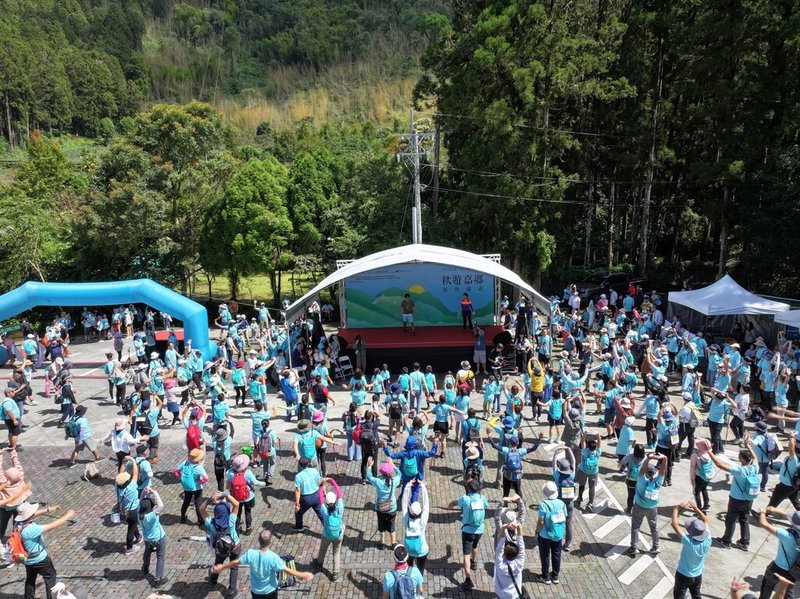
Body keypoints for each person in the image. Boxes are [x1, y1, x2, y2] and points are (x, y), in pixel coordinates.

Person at [213, 529, 314, 599]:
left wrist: (222, 566)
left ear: (258, 540)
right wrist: (302, 575)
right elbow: (287, 570)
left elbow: (235, 562)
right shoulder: (274, 557)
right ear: (270, 542)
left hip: (256, 591)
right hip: (270, 590)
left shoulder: (251, 553)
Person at [13, 501, 75, 599]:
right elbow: (52, 525)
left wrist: (49, 509)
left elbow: (32, 514)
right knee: (50, 577)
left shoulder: (18, 524)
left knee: (30, 579)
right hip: (40, 559)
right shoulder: (31, 529)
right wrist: (67, 515)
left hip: (27, 559)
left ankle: (28, 597)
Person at [709, 438, 759, 550]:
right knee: (744, 519)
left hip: (736, 499)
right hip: (749, 499)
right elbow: (755, 457)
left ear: (741, 459)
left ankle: (726, 541)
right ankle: (744, 542)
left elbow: (719, 464)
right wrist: (749, 447)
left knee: (731, 520)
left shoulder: (740, 470)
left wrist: (709, 451)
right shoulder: (755, 467)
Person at [447, 478, 489, 591]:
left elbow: (456, 503)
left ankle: (467, 579)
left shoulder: (465, 499)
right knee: (474, 547)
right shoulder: (482, 498)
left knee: (466, 553)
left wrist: (450, 505)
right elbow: (487, 505)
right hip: (479, 529)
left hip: (468, 530)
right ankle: (474, 562)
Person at [201, 491, 241, 598]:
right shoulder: (231, 520)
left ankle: (213, 579)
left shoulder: (211, 524)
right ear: (228, 512)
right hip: (234, 546)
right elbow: (236, 504)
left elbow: (202, 510)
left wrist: (209, 499)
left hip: (220, 548)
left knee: (217, 562)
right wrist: (225, 495)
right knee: (234, 567)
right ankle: (232, 590)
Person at [628, 453, 667, 556]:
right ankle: (655, 546)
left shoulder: (641, 480)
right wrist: (665, 459)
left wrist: (648, 458)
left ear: (645, 472)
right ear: (654, 473)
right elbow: (663, 471)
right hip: (652, 508)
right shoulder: (657, 482)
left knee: (635, 527)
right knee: (654, 527)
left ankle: (634, 547)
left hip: (639, 506)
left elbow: (642, 469)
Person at [671, 501, 712, 599]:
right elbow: (706, 521)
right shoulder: (708, 539)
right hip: (698, 575)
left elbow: (674, 524)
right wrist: (696, 509)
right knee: (696, 594)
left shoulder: (688, 542)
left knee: (679, 596)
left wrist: (676, 508)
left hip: (683, 574)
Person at [758, 506, 800, 599]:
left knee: (767, 586)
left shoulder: (786, 535)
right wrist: (773, 510)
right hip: (794, 571)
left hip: (777, 568)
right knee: (788, 591)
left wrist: (762, 513)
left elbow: (763, 523)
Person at [535, 481, 567, 585]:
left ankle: (545, 576)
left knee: (545, 555)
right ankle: (555, 575)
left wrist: (537, 531)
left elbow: (541, 521)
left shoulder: (543, 505)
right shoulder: (561, 504)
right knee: (556, 554)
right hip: (558, 534)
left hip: (545, 535)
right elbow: (565, 517)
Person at [313, 478, 344, 582]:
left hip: (327, 534)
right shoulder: (340, 507)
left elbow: (320, 497)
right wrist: (332, 480)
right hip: (338, 534)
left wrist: (321, 485)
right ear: (335, 500)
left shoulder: (324, 510)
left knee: (323, 549)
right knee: (336, 552)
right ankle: (335, 573)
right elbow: (339, 492)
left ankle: (319, 563)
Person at [226, 454, 265, 535]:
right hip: (248, 497)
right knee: (248, 512)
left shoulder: (230, 473)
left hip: (236, 497)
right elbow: (255, 482)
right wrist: (264, 483)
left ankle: (237, 528)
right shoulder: (248, 473)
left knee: (237, 512)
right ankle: (248, 529)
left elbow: (228, 484)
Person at [366, 459, 402, 549]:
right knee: (391, 524)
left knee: (381, 525)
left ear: (381, 472)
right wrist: (393, 465)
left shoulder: (378, 482)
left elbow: (369, 476)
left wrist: (369, 466)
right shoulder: (394, 481)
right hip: (392, 507)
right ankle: (393, 543)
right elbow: (400, 474)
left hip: (380, 507)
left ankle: (382, 543)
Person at [400, 479, 430, 575]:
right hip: (422, 551)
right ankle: (418, 586)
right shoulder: (422, 521)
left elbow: (404, 503)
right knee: (420, 570)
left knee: (409, 569)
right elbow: (426, 505)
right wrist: (423, 488)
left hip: (408, 550)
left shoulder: (406, 519)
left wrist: (408, 486)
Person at [138, 487, 166, 586]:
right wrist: (154, 492)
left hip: (147, 539)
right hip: (159, 537)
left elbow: (140, 500)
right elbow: (161, 505)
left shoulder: (139, 513)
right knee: (160, 557)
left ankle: (145, 568)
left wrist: (143, 492)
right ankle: (158, 578)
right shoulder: (152, 515)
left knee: (147, 553)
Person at [175, 448, 209, 525]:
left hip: (187, 488)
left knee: (186, 502)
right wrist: (200, 482)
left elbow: (176, 471)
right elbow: (206, 478)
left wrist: (180, 478)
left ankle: (183, 517)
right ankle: (201, 520)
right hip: (197, 488)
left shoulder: (185, 463)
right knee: (198, 503)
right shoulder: (199, 468)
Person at [115, 461, 143, 554]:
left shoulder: (118, 488)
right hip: (133, 511)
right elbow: (135, 473)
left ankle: (138, 536)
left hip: (124, 510)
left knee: (132, 524)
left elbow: (120, 476)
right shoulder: (131, 486)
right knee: (130, 529)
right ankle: (129, 548)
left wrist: (122, 462)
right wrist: (133, 461)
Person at [293, 458, 325, 531]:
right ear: (308, 464)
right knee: (321, 515)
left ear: (300, 465)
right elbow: (320, 481)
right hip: (317, 496)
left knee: (298, 512)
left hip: (306, 499)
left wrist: (297, 502)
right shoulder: (314, 471)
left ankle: (299, 527)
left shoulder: (298, 476)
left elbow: (298, 490)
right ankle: (328, 529)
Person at [575, 432, 601, 512]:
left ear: (587, 445)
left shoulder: (585, 451)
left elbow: (582, 442)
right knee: (592, 487)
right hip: (594, 472)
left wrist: (585, 435)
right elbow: (599, 442)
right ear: (595, 446)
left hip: (583, 470)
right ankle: (590, 503)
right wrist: (597, 435)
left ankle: (579, 498)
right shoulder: (597, 452)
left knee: (582, 485)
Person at [689, 439, 715, 513]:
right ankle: (706, 505)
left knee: (696, 492)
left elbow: (692, 468)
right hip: (708, 476)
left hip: (699, 476)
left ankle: (699, 509)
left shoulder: (695, 455)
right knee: (704, 489)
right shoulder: (709, 453)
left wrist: (692, 478)